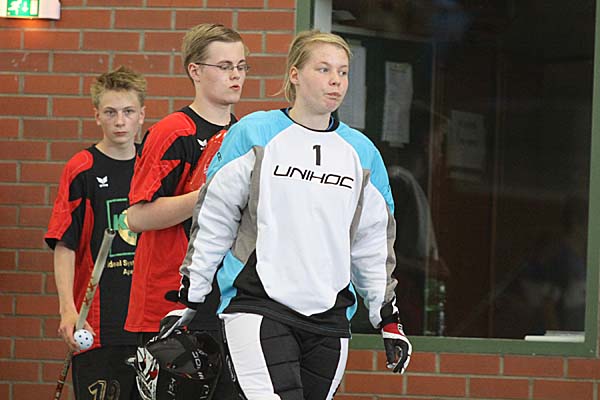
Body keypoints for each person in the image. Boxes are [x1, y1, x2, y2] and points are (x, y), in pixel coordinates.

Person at [175, 30, 412, 399]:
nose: (336, 80)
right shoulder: (255, 132)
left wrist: (388, 320)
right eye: (323, 69)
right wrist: (190, 297)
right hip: (257, 303)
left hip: (331, 317)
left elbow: (372, 244)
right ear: (295, 74)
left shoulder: (362, 152)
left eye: (343, 72)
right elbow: (215, 219)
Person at [124, 23, 248, 399]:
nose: (236, 75)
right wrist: (207, 195)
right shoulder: (173, 131)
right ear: (195, 70)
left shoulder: (244, 135)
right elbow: (137, 216)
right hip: (172, 298)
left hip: (228, 299)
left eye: (241, 66)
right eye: (224, 66)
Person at [45, 66, 146, 399]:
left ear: (142, 115)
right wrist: (67, 309)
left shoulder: (154, 165)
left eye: (128, 112)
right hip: (99, 323)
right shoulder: (82, 168)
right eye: (110, 112)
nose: (120, 121)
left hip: (150, 321)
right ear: (96, 116)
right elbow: (65, 244)